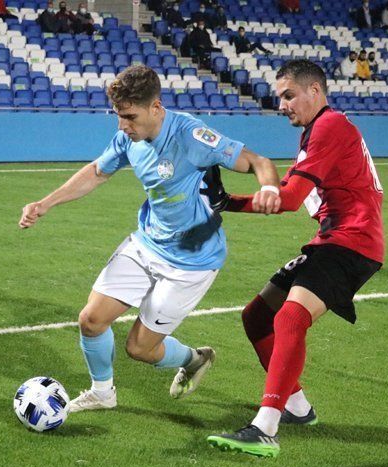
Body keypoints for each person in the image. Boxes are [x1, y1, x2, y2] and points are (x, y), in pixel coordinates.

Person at [19, 65, 280, 414]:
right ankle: (102, 392)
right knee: (91, 320)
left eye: (129, 116)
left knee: (139, 349)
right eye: (118, 116)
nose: (122, 126)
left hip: (191, 261)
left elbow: (257, 161)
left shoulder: (191, 135)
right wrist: (45, 203)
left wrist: (268, 188)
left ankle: (194, 358)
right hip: (147, 243)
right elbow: (97, 172)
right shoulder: (129, 138)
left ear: (155, 108)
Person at [204, 59, 384, 458]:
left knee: (290, 316)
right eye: (279, 97)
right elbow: (284, 197)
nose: (281, 104)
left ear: (314, 92)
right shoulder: (317, 132)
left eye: (288, 95)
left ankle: (265, 427)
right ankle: (297, 408)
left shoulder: (330, 127)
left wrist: (227, 201)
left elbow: (287, 198)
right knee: (256, 316)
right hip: (332, 241)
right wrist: (228, 202)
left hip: (353, 244)